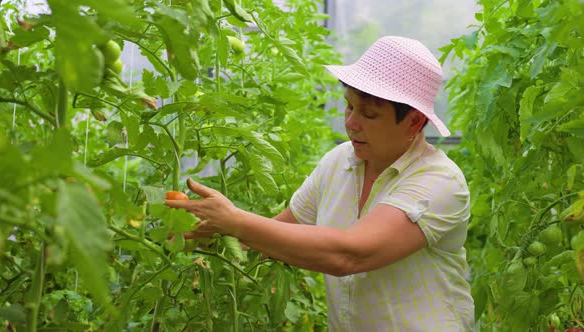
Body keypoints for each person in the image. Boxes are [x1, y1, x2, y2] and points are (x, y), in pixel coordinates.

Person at [165, 36, 474, 331]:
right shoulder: (339, 162)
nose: (351, 122)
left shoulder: (438, 181)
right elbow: (277, 236)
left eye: (369, 114)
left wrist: (235, 221)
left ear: (414, 121)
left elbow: (351, 255)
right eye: (349, 106)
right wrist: (206, 232)